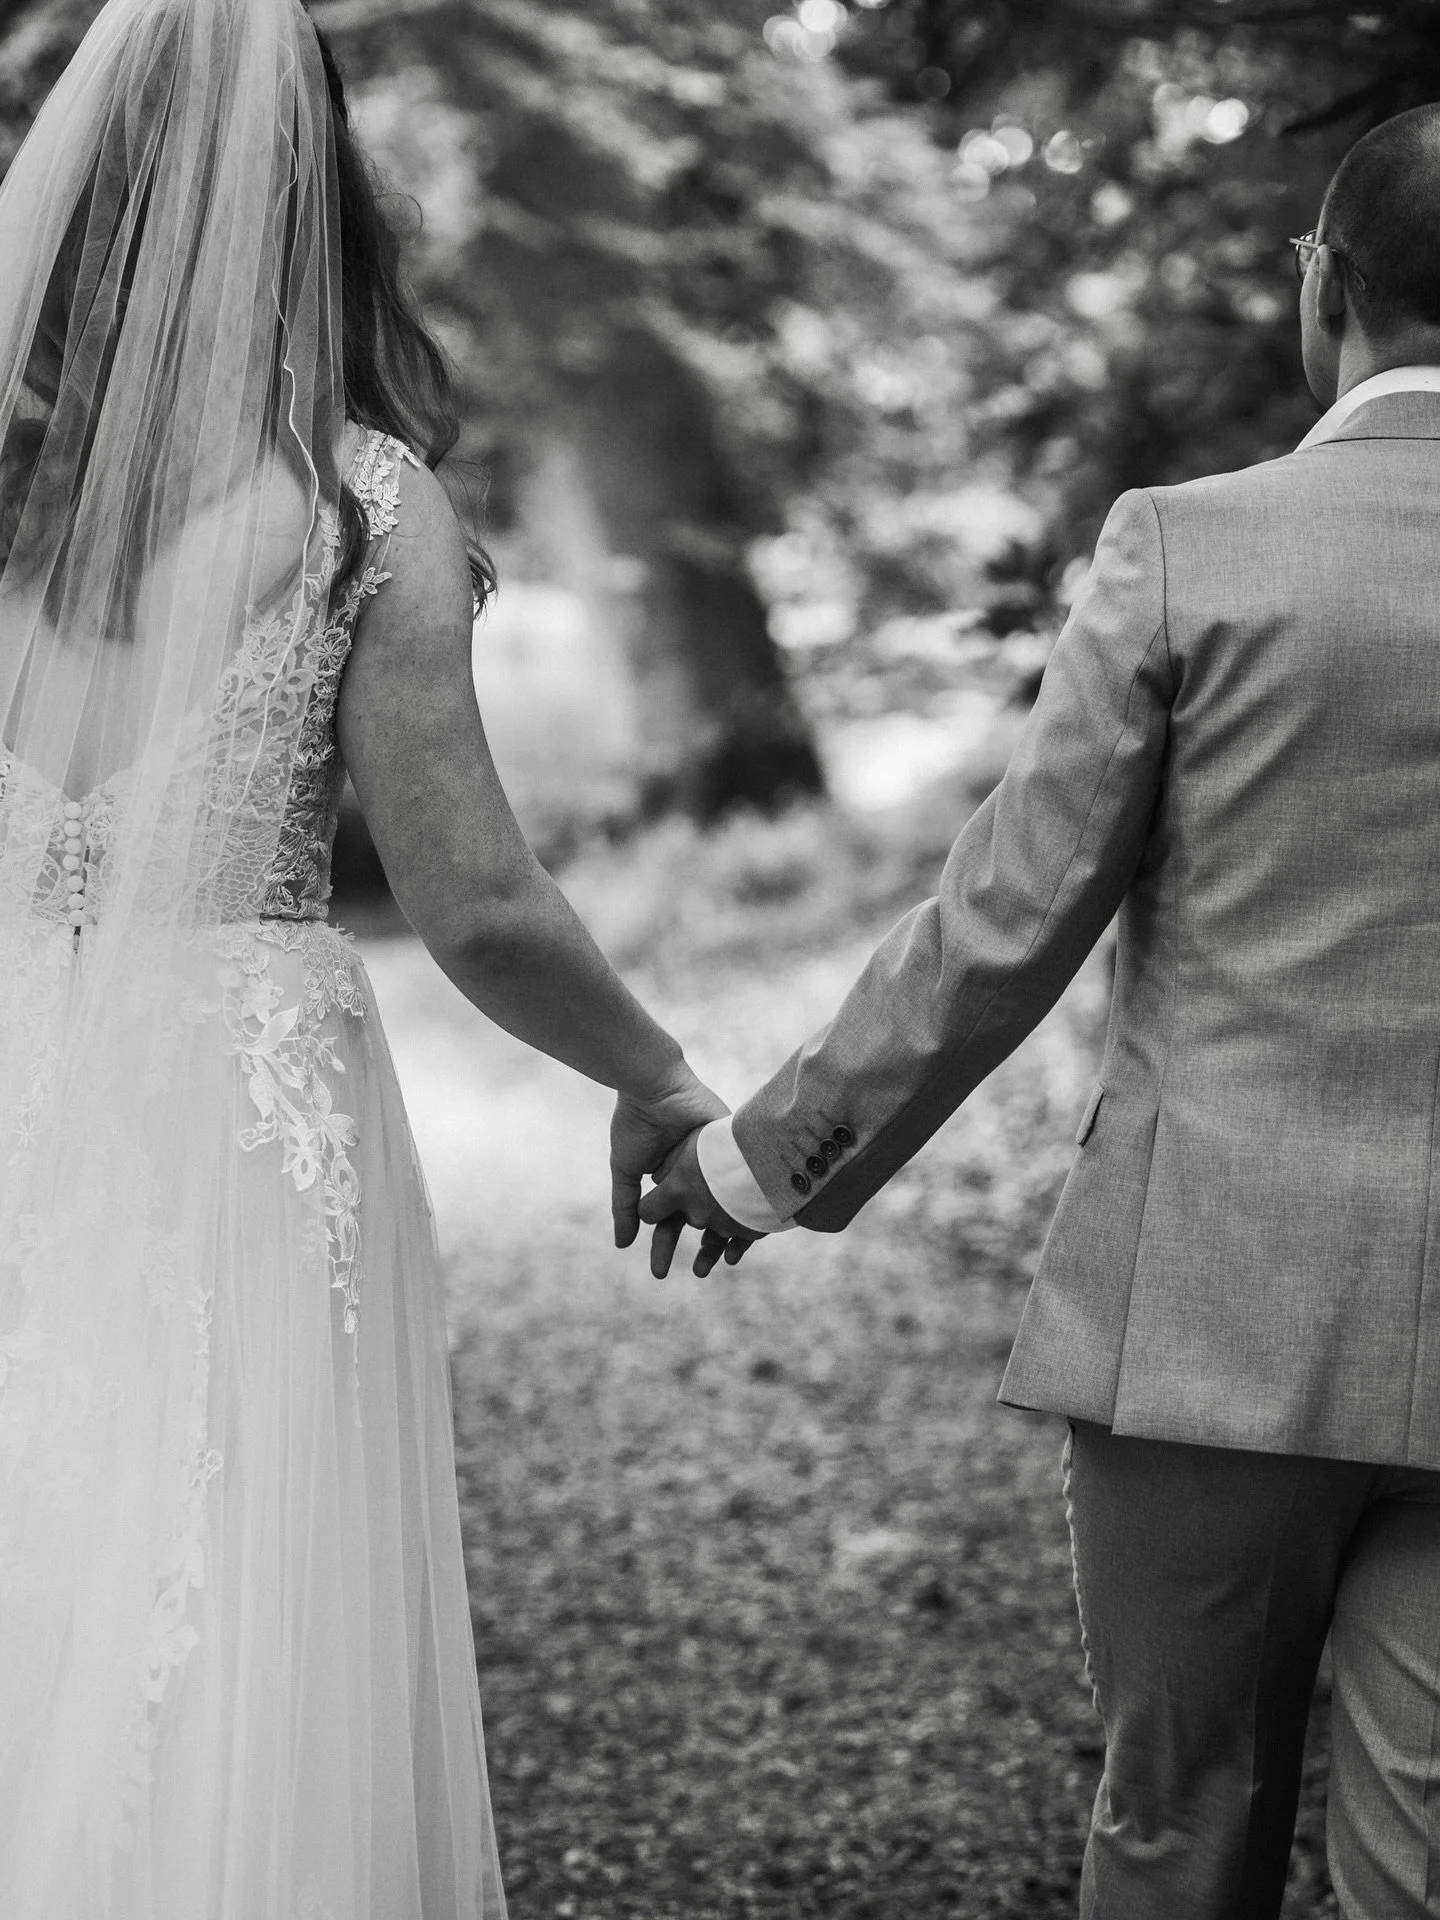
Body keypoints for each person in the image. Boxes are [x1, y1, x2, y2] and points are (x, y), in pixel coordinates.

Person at [640, 104, 1440, 1919]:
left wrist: (759, 1165)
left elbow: (1005, 923)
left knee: (1179, 1824)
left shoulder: (1193, 546)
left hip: (1206, 1325)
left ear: (1322, 289)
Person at [0, 2, 723, 1914]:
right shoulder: (360, 502)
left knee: (48, 1577)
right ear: (318, 182)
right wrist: (661, 1074)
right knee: (235, 1590)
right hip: (245, 1114)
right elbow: (476, 899)